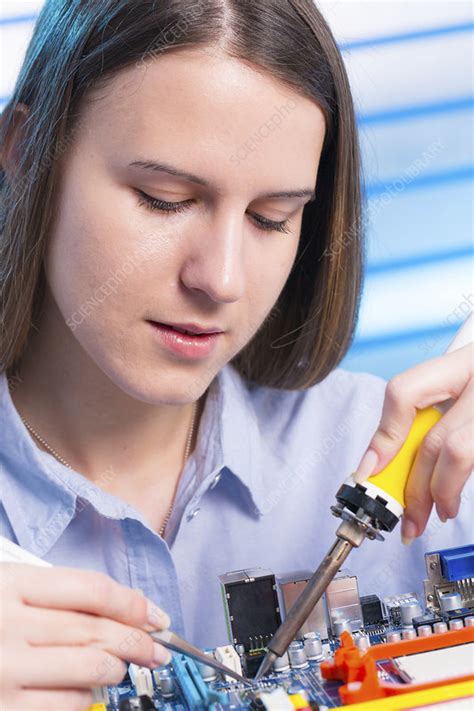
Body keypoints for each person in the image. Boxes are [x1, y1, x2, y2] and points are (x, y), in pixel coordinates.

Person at [0, 1, 472, 708]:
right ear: (23, 152)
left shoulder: (419, 462)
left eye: (270, 218)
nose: (219, 279)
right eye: (163, 200)